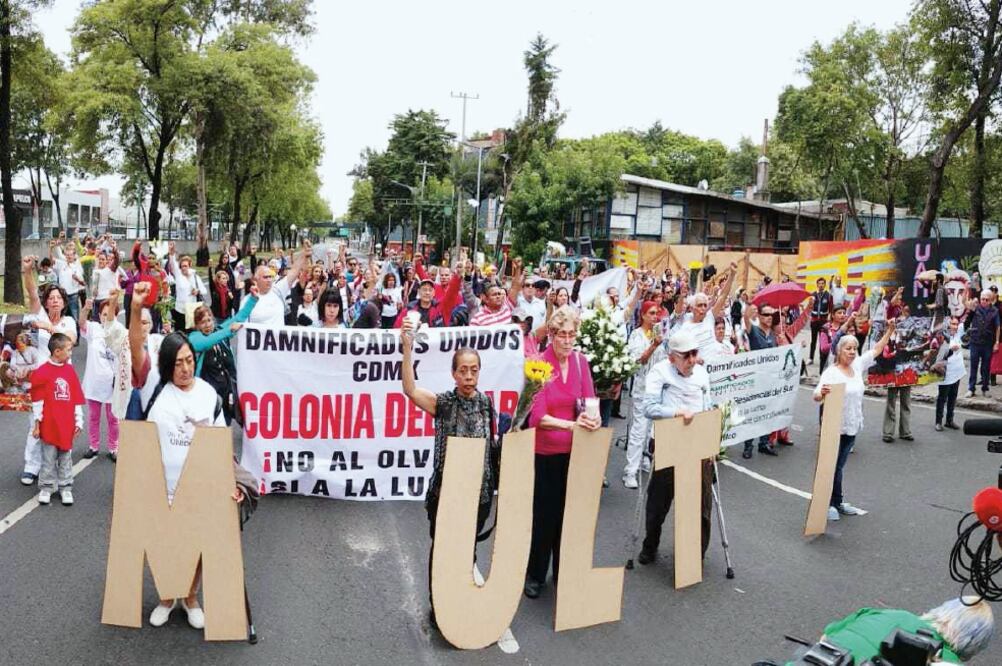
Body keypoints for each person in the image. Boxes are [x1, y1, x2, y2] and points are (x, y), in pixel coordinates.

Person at [145, 332, 255, 630]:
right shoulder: (158, 399)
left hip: (203, 486)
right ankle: (167, 598)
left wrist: (230, 482)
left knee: (198, 546)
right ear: (168, 366)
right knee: (167, 544)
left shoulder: (208, 394)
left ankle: (191, 598)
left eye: (189, 360)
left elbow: (220, 445)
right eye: (178, 363)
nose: (185, 368)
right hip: (167, 489)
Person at [400, 316, 497, 626]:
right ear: (454, 373)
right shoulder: (443, 402)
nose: (469, 376)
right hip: (446, 493)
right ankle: (438, 603)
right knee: (442, 550)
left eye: (474, 370)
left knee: (467, 551)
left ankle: (462, 600)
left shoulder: (486, 404)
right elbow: (410, 390)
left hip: (478, 494)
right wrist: (406, 349)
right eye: (463, 370)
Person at [523, 306, 600, 599]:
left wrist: (592, 418)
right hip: (546, 453)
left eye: (572, 335)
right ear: (551, 335)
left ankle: (563, 569)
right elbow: (536, 417)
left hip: (576, 452)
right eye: (562, 335)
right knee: (545, 516)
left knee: (570, 516)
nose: (567, 341)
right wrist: (571, 425)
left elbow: (590, 401)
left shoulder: (581, 362)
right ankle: (535, 574)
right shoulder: (538, 365)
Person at [637, 330, 713, 565]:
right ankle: (650, 543)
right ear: (672, 357)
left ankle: (695, 553)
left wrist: (712, 441)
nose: (692, 360)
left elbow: (708, 406)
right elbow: (649, 408)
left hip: (696, 442)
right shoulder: (660, 371)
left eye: (694, 353)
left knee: (701, 501)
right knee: (659, 501)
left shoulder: (701, 374)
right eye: (686, 355)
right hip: (668, 439)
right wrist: (676, 413)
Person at [813, 322, 894, 521]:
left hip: (852, 426)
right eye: (848, 349)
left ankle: (838, 501)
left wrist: (890, 331)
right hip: (835, 427)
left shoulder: (857, 365)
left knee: (839, 466)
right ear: (839, 351)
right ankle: (831, 503)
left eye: (854, 349)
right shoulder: (832, 372)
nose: (852, 352)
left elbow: (876, 349)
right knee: (834, 466)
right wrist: (821, 393)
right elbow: (816, 394)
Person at [20, 256, 78, 486]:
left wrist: (49, 328)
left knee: (61, 422)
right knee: (37, 420)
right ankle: (31, 466)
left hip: (63, 381)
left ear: (63, 302)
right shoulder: (39, 314)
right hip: (41, 379)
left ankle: (59, 466)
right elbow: (33, 293)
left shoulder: (68, 323)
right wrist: (27, 271)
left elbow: (68, 341)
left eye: (58, 298)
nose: (54, 301)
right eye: (50, 298)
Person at [30, 333, 84, 506]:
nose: (70, 353)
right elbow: (37, 401)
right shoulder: (42, 372)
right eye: (68, 350)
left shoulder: (69, 371)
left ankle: (65, 487)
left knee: (65, 457)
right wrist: (37, 424)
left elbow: (75, 398)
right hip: (49, 425)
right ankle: (46, 487)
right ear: (57, 351)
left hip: (66, 424)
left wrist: (79, 420)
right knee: (48, 457)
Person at [189, 291, 259, 425]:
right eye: (203, 322)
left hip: (227, 392)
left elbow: (238, 318)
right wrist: (229, 330)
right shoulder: (194, 338)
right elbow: (207, 341)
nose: (207, 324)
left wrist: (253, 299)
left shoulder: (219, 331)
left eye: (209, 320)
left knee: (226, 425)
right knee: (209, 428)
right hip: (207, 394)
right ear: (197, 325)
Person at [79, 292, 126, 461]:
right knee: (93, 417)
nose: (107, 317)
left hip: (112, 385)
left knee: (113, 420)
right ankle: (94, 446)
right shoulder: (93, 329)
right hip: (94, 384)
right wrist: (85, 308)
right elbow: (82, 322)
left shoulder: (120, 332)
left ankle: (114, 448)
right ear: (99, 316)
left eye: (110, 314)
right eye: (104, 314)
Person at [623, 300, 664, 489]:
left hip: (656, 391)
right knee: (639, 431)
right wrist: (653, 346)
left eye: (657, 313)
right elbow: (638, 361)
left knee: (650, 431)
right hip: (641, 388)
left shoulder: (658, 335)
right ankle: (630, 471)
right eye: (652, 313)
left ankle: (644, 458)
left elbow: (663, 361)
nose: (655, 317)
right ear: (644, 315)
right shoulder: (636, 335)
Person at [741, 302, 779, 459]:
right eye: (766, 314)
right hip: (755, 381)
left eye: (772, 315)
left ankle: (763, 443)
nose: (769, 318)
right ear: (760, 316)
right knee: (753, 414)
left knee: (767, 413)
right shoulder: (754, 331)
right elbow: (746, 320)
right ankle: (748, 446)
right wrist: (748, 312)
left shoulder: (774, 335)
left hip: (770, 381)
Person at [248, 241, 309, 327]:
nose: (268, 279)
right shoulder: (248, 300)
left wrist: (304, 255)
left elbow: (294, 271)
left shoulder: (278, 288)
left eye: (269, 277)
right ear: (255, 280)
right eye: (265, 277)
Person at [965, 290, 999, 398]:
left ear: (990, 301)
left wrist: (997, 342)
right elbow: (967, 322)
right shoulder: (975, 308)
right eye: (982, 299)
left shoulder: (995, 311)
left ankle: (985, 388)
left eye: (986, 300)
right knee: (973, 365)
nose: (984, 301)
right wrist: (970, 311)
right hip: (975, 341)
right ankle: (971, 388)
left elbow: (998, 327)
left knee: (986, 367)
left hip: (988, 343)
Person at [935, 316, 965, 431]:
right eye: (953, 324)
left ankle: (949, 420)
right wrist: (951, 350)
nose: (955, 326)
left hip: (957, 371)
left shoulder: (959, 334)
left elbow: (967, 319)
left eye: (956, 324)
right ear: (948, 325)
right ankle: (938, 421)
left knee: (953, 397)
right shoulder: (943, 337)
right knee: (942, 398)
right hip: (946, 372)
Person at [167, 246, 207, 333]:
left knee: (190, 333)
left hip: (191, 310)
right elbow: (173, 263)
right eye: (182, 266)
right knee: (180, 333)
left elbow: (204, 290)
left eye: (185, 266)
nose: (183, 268)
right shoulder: (178, 275)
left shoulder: (195, 276)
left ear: (189, 266)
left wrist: (198, 291)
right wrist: (171, 254)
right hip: (179, 310)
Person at [809, 277, 832, 364]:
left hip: (823, 322)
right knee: (813, 341)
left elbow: (831, 309)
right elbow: (809, 307)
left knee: (823, 341)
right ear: (817, 285)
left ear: (825, 285)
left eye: (823, 283)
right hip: (814, 321)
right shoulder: (813, 295)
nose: (821, 285)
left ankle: (822, 359)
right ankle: (811, 358)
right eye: (819, 283)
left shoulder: (828, 295)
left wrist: (829, 320)